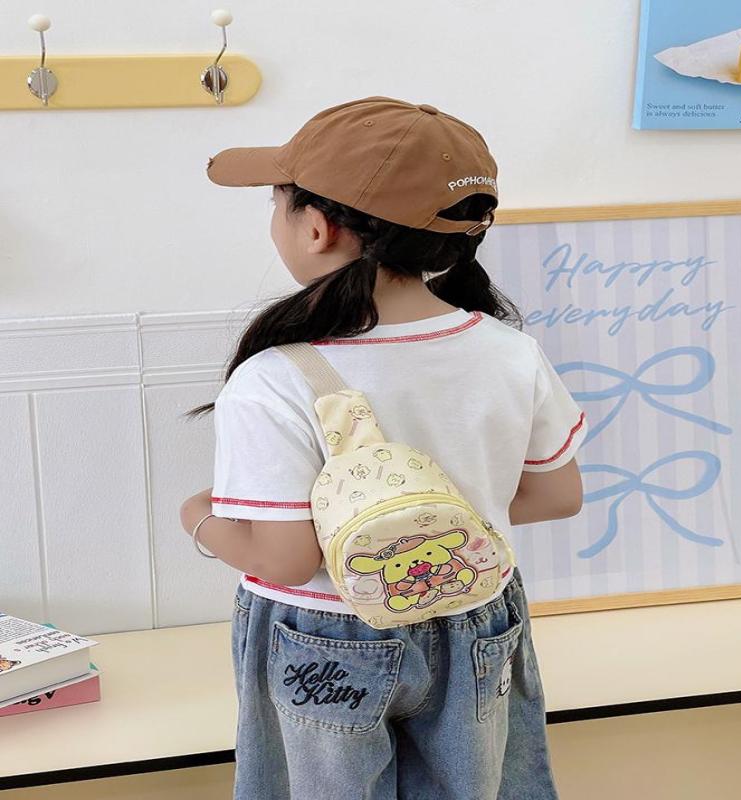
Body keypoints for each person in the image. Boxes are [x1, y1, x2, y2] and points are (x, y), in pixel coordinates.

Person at [180, 96, 588, 800]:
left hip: (324, 633)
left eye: (277, 204)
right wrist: (436, 523)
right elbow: (558, 494)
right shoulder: (509, 351)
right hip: (474, 617)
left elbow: (287, 558)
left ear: (316, 227)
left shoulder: (274, 377)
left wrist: (198, 518)